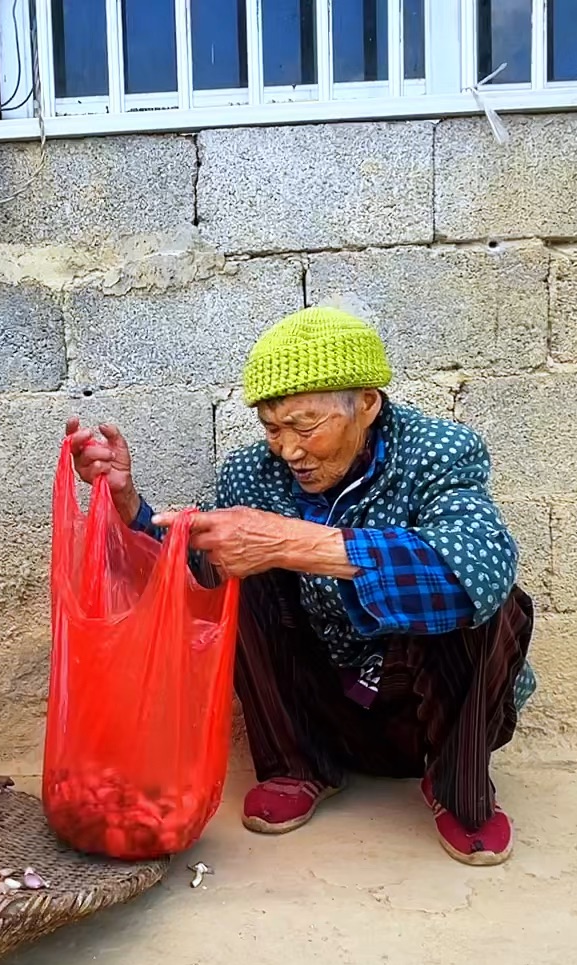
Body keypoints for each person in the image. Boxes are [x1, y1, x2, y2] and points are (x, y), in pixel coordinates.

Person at [66, 307, 535, 866]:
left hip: (426, 709)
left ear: (366, 404)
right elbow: (198, 573)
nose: (288, 450)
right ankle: (297, 766)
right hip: (326, 704)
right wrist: (129, 505)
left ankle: (458, 788)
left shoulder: (438, 452)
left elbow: (481, 566)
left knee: (487, 597)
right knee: (240, 577)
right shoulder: (251, 472)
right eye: (272, 427)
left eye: (306, 426)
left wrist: (291, 542)